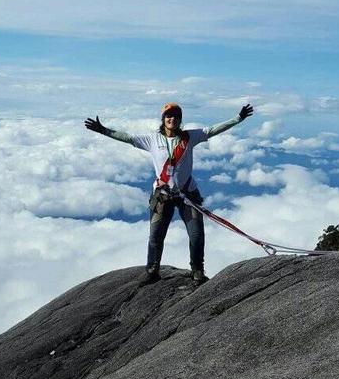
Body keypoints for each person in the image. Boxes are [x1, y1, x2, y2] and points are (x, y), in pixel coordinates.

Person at [85, 103, 254, 285]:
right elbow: (128, 138)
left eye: (175, 116)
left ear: (180, 120)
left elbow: (212, 130)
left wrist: (238, 118)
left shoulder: (189, 137)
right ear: (163, 119)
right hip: (163, 196)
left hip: (187, 194)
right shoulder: (152, 140)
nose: (172, 119)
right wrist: (103, 130)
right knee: (155, 236)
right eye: (168, 116)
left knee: (196, 235)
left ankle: (197, 270)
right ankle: (152, 271)